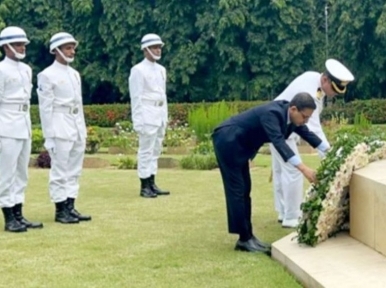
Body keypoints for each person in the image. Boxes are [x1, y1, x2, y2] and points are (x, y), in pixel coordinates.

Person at [212, 93, 330, 253]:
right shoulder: (272, 114)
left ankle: (248, 236)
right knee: (237, 190)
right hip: (228, 139)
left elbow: (308, 135)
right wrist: (304, 169)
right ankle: (244, 239)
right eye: (304, 117)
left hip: (240, 144)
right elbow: (279, 143)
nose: (305, 121)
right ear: (294, 109)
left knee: (245, 190)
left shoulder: (293, 117)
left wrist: (332, 152)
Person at [270, 59, 354, 228]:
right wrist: (332, 158)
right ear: (325, 80)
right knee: (293, 170)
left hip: (284, 126)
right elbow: (313, 130)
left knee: (280, 171)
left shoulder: (314, 80)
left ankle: (283, 211)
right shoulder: (310, 92)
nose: (335, 94)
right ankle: (292, 217)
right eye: (334, 89)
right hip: (279, 127)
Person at [37, 32, 91, 224]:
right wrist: (49, 136)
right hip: (59, 124)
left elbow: (79, 104)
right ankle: (60, 210)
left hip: (75, 124)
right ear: (56, 50)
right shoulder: (47, 75)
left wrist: (82, 129)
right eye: (67, 47)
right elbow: (45, 108)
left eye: (72, 47)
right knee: (60, 169)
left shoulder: (75, 74)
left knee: (74, 169)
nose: (72, 51)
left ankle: (70, 205)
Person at [0, 26, 43, 233]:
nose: (22, 48)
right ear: (6, 46)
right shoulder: (1, 70)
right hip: (6, 124)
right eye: (17, 44)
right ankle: (8, 216)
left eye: (23, 44)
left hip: (23, 122)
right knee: (6, 173)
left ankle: (18, 213)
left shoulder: (26, 69)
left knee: (21, 172)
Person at [128, 33, 170, 198]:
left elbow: (163, 95)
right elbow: (136, 97)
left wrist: (164, 116)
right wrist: (138, 120)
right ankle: (144, 184)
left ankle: (152, 182)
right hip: (146, 114)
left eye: (159, 47)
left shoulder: (161, 70)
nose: (158, 50)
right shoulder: (138, 70)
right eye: (154, 47)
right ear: (145, 49)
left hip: (159, 114)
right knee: (145, 150)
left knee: (155, 150)